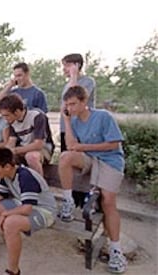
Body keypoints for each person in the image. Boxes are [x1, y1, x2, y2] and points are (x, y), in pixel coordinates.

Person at [58, 85, 127, 273]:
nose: (70, 108)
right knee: (65, 157)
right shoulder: (74, 121)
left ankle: (116, 250)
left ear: (84, 102)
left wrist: (84, 146)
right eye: (67, 105)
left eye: (73, 104)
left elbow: (114, 144)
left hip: (110, 161)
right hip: (89, 159)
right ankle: (68, 202)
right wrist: (66, 120)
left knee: (108, 201)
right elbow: (72, 146)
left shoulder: (103, 116)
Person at [0, 148, 56, 275]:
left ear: (7, 166)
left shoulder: (25, 176)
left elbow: (27, 208)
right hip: (21, 203)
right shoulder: (7, 174)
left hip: (44, 211)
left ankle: (13, 271)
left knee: (10, 223)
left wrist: (5, 214)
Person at [0, 94, 54, 176]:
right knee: (5, 158)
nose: (5, 119)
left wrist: (16, 150)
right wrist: (6, 152)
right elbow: (11, 142)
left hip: (43, 148)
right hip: (24, 148)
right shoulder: (12, 121)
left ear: (16, 112)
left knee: (31, 157)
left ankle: (39, 185)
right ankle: (12, 185)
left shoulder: (37, 116)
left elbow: (39, 144)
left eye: (6, 115)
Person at [60, 53, 96, 152]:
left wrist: (74, 76)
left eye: (67, 66)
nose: (64, 69)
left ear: (77, 65)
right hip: (66, 127)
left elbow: (74, 95)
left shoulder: (88, 81)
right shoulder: (67, 84)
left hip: (81, 128)